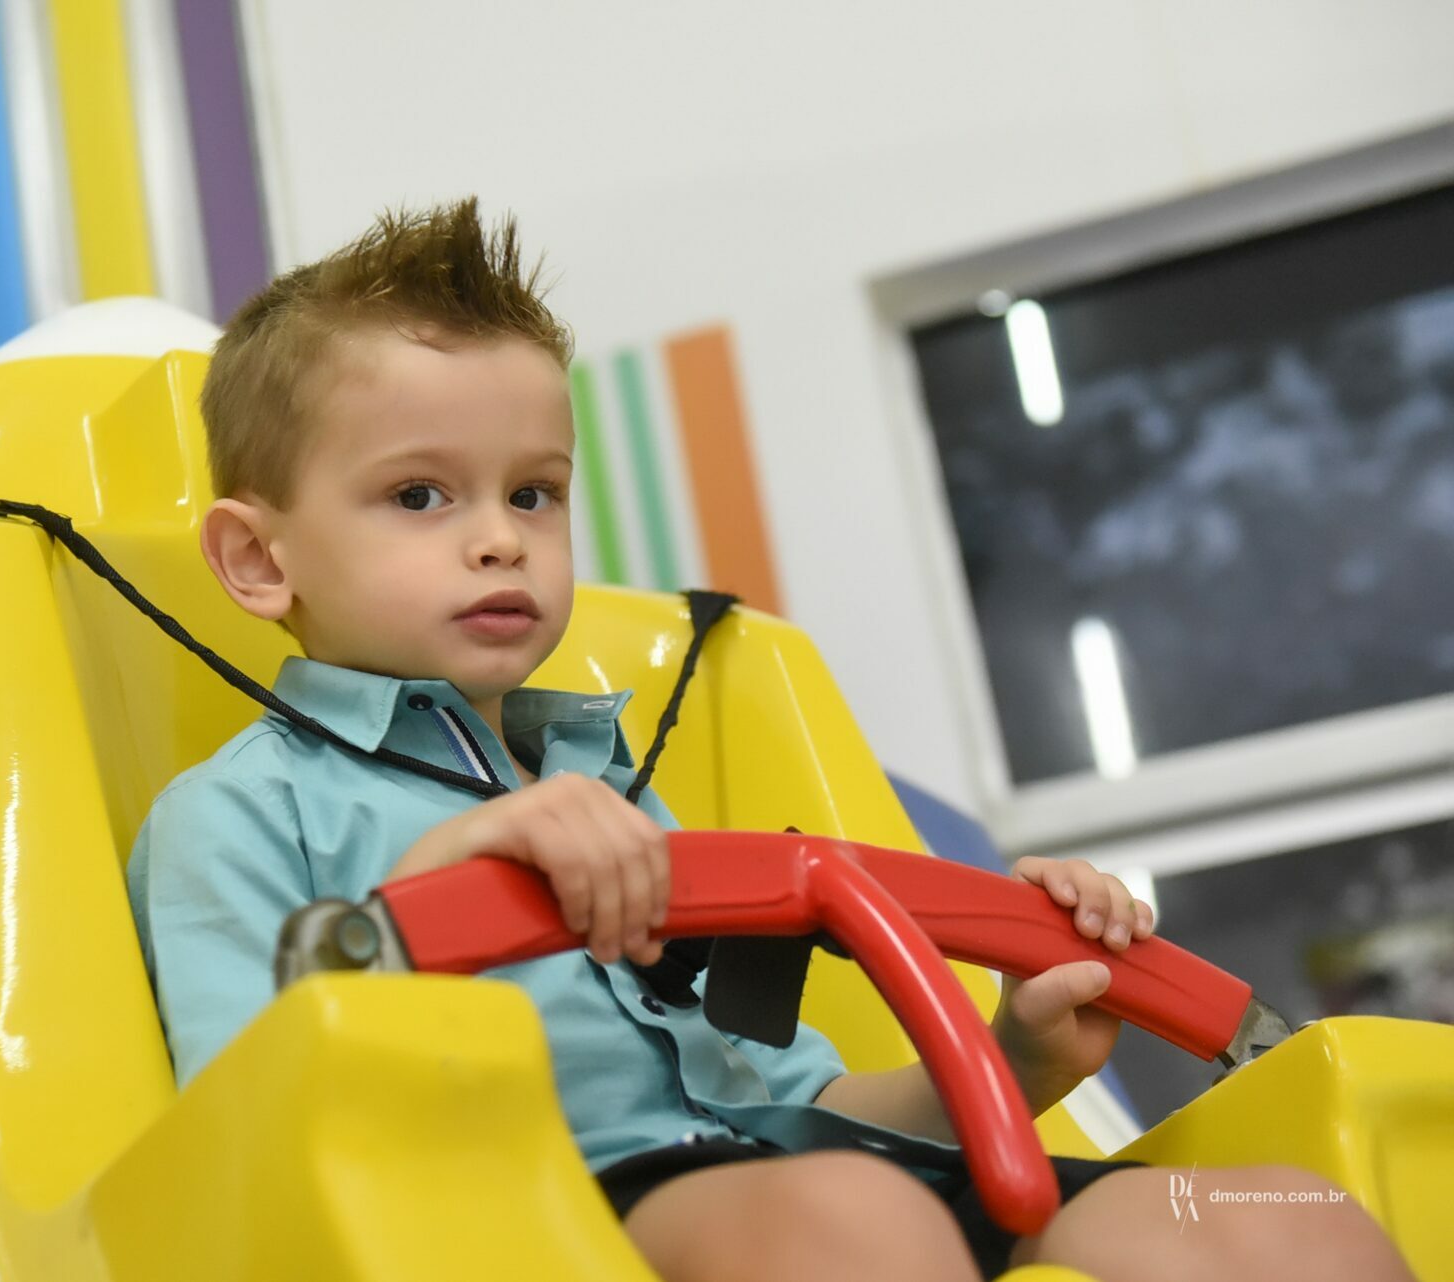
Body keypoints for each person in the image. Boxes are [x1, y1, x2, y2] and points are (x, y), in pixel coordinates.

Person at [125, 198, 1415, 1281]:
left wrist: (1013, 1061)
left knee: (1291, 1224)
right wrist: (449, 876)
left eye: (535, 492)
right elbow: (262, 1132)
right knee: (856, 1221)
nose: (500, 536)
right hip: (536, 1209)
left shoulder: (616, 786)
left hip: (797, 1176)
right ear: (256, 558)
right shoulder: (238, 818)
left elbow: (783, 1099)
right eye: (420, 494)